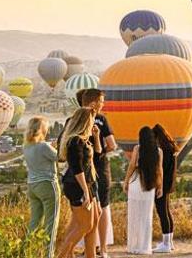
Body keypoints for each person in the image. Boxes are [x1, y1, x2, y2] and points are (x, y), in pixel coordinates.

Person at [56, 108, 102, 258]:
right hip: (78, 185)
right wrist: (85, 191)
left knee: (93, 222)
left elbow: (97, 156)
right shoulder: (75, 141)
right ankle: (62, 255)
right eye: (92, 119)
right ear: (86, 121)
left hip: (89, 182)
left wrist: (96, 136)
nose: (94, 123)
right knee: (84, 225)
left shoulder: (84, 139)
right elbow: (77, 168)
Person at [82, 89, 117, 258]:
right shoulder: (101, 120)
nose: (103, 104)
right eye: (102, 101)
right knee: (102, 208)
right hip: (101, 169)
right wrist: (101, 152)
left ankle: (88, 248)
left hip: (81, 172)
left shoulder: (73, 120)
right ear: (94, 103)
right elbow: (112, 145)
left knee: (85, 210)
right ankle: (103, 249)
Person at [23, 116, 60, 258]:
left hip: (32, 185)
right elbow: (60, 157)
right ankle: (48, 255)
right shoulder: (44, 146)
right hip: (47, 184)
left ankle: (27, 252)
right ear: (42, 129)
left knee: (34, 222)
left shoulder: (26, 146)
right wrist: (58, 146)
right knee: (51, 223)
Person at [123, 126, 163, 254]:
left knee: (134, 216)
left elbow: (132, 165)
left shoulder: (138, 149)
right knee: (146, 217)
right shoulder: (159, 151)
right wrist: (160, 186)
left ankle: (133, 247)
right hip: (149, 185)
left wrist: (126, 181)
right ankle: (144, 247)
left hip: (136, 183)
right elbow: (159, 170)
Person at [152, 124, 179, 253]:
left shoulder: (163, 150)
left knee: (162, 212)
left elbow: (160, 170)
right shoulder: (171, 148)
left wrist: (159, 186)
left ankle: (166, 244)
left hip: (163, 183)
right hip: (169, 183)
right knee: (167, 211)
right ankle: (169, 242)